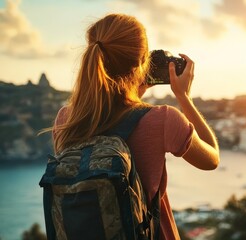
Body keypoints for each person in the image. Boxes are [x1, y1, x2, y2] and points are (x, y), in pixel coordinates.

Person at [52, 13, 220, 239]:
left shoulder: (67, 119)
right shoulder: (163, 119)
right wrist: (183, 97)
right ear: (143, 63)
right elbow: (212, 159)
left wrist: (134, 92)